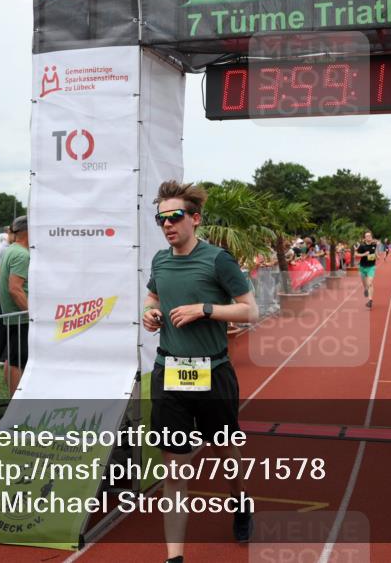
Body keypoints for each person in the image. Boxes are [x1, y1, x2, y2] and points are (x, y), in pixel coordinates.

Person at [142, 180, 259, 562]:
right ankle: (175, 557)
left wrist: (204, 309)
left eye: (175, 217)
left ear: (195, 218)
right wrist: (150, 314)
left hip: (213, 373)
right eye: (161, 219)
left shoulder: (217, 260)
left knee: (227, 451)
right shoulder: (160, 261)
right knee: (174, 471)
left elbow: (250, 310)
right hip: (169, 372)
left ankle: (240, 501)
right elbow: (153, 297)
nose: (167, 225)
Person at [0, 216, 29, 394]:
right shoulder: (21, 254)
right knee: (18, 359)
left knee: (12, 358)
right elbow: (15, 289)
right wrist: (30, 313)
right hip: (20, 316)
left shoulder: (12, 250)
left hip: (13, 314)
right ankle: (17, 402)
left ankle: (14, 399)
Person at [356, 230, 378, 309]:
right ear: (364, 238)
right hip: (362, 267)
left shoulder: (374, 244)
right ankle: (365, 289)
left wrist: (376, 256)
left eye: (369, 236)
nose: (368, 237)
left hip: (371, 267)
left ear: (371, 236)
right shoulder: (362, 246)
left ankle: (370, 301)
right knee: (365, 285)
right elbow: (356, 254)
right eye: (367, 236)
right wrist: (364, 254)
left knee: (370, 283)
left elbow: (375, 252)